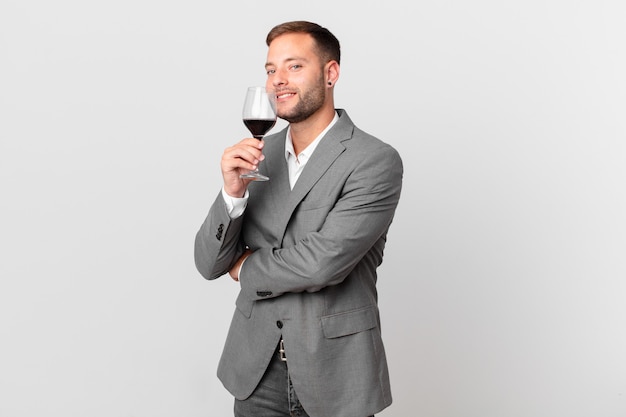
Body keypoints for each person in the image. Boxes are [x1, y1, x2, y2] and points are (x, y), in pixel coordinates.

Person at [194, 20, 403, 417]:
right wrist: (231, 193)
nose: (278, 80)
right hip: (254, 371)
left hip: (336, 372)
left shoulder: (374, 160)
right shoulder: (258, 155)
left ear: (330, 73)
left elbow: (323, 262)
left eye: (294, 66)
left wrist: (246, 268)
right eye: (271, 69)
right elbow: (208, 264)